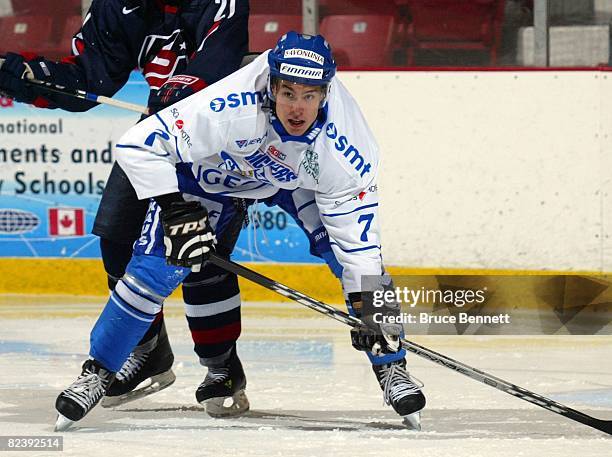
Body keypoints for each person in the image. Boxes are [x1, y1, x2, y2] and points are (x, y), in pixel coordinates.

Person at [53, 31, 427, 432]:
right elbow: (137, 145)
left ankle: (392, 364)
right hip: (213, 175)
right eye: (288, 93)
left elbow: (361, 252)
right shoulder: (230, 106)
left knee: (355, 266)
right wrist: (175, 209)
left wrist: (372, 315)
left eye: (309, 95)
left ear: (326, 92)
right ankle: (98, 371)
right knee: (153, 271)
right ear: (271, 86)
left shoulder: (346, 149)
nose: (297, 108)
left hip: (297, 179)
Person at [0, 0, 254, 410]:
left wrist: (179, 94)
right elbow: (87, 80)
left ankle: (223, 366)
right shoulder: (116, 6)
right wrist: (24, 77)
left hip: (219, 137)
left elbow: (219, 58)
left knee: (199, 256)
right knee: (117, 239)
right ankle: (148, 351)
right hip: (157, 134)